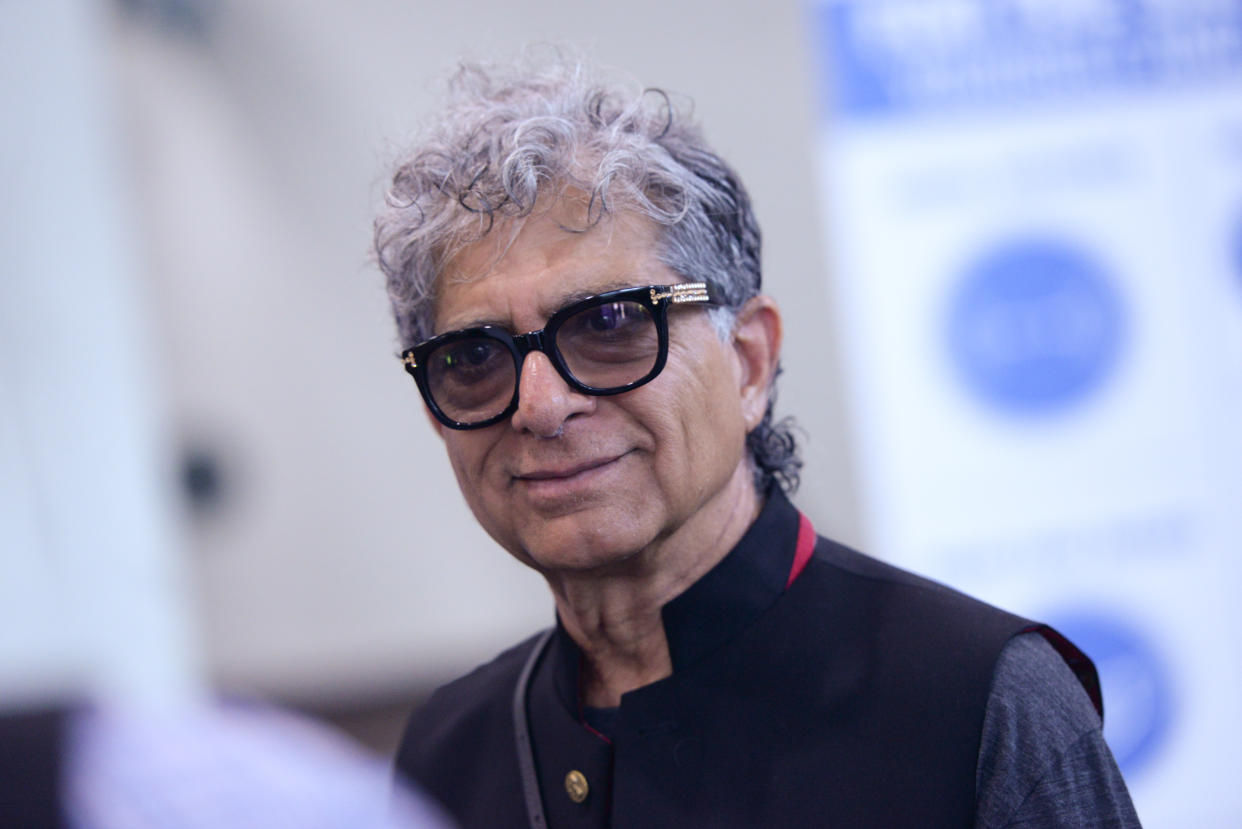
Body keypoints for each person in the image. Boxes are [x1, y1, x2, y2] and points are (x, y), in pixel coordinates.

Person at [374, 52, 1140, 828]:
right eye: (473, 357)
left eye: (610, 324)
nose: (540, 405)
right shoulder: (450, 754)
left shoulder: (971, 702)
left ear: (749, 361)